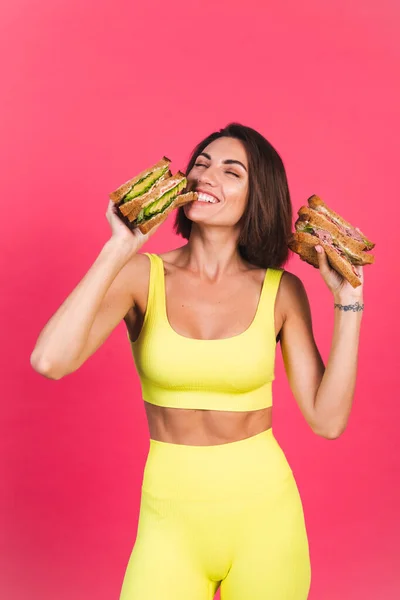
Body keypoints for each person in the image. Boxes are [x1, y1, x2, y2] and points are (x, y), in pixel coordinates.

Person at [30, 123, 364, 599]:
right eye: (202, 164)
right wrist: (118, 248)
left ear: (258, 196)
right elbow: (49, 361)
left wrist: (348, 303)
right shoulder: (141, 276)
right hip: (170, 522)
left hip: (266, 518)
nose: (206, 176)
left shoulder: (281, 291)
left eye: (232, 172)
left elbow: (327, 421)